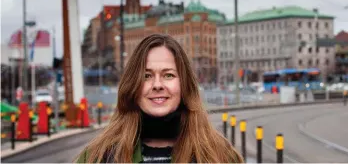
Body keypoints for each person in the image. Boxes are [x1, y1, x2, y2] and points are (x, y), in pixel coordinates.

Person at [76, 34, 243, 163]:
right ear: (133, 84)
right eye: (146, 76)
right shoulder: (98, 157)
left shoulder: (220, 156)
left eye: (168, 75)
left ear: (184, 84)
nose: (157, 85)